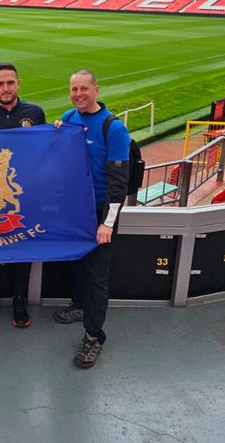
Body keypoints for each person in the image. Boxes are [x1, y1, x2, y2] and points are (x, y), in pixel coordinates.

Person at [55, 70, 130, 369]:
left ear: (96, 90)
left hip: (101, 210)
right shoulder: (68, 117)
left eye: (84, 88)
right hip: (76, 208)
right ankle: (79, 305)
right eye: (74, 89)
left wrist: (108, 223)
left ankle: (94, 336)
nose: (78, 94)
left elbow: (118, 181)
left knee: (97, 276)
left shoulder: (114, 128)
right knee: (77, 262)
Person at [0, 62, 45, 328]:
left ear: (18, 84)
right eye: (0, 83)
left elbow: (47, 148)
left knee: (22, 244)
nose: (5, 88)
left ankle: (19, 299)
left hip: (25, 190)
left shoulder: (34, 113)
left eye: (10, 83)